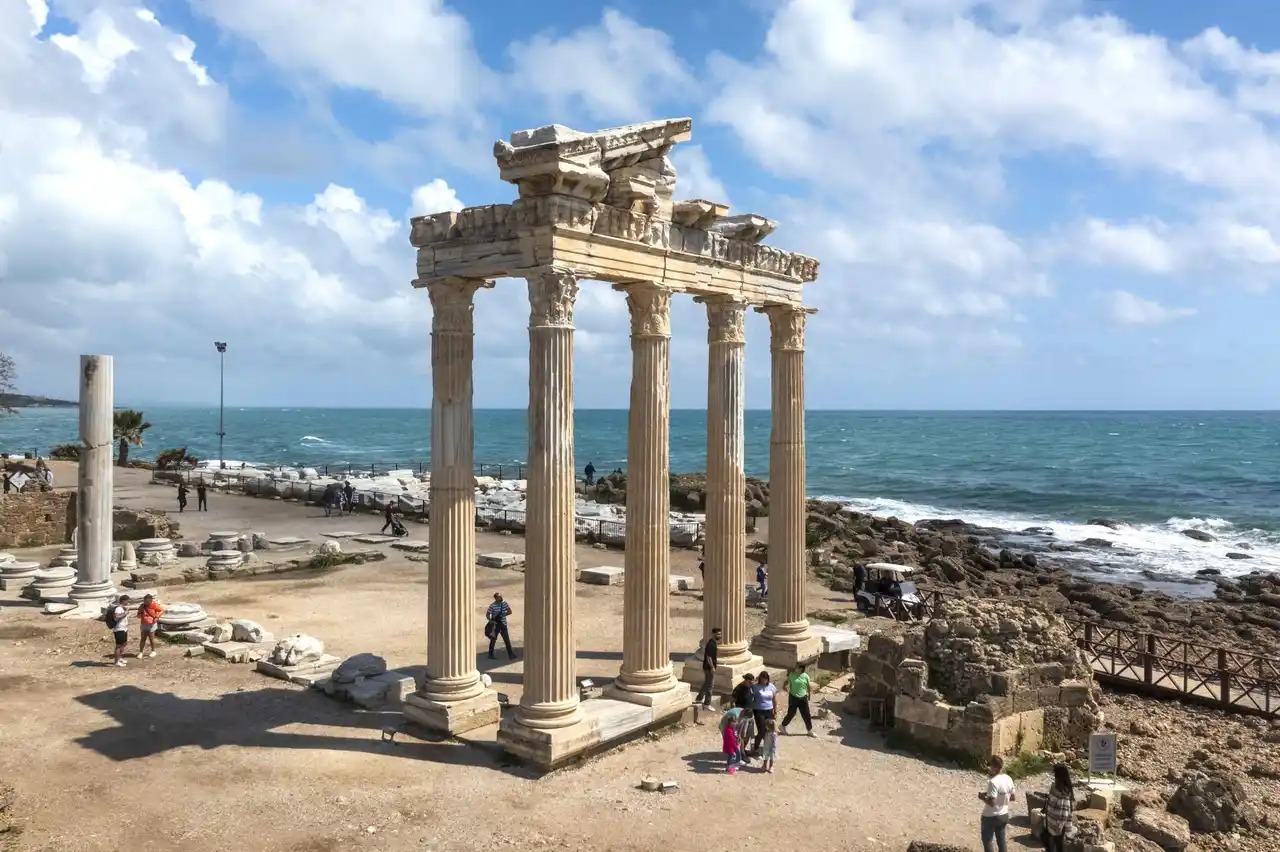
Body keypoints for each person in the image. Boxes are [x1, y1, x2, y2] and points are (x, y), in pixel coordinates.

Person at [980, 754, 1017, 852]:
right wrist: (1001, 798)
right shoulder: (1008, 779)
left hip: (990, 816)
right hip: (1004, 814)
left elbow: (992, 803)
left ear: (995, 767)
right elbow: (1012, 797)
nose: (988, 768)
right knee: (1001, 840)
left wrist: (983, 797)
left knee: (987, 841)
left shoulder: (993, 782)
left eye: (990, 766)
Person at [1043, 763, 1075, 852]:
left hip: (1058, 827)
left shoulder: (1064, 793)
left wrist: (1058, 828)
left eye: (1055, 774)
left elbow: (1064, 814)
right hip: (1050, 823)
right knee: (1050, 846)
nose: (1054, 776)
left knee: (1059, 847)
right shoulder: (1054, 787)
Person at [781, 661, 816, 737]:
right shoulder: (791, 675)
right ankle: (782, 726)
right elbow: (786, 682)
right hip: (793, 697)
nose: (795, 668)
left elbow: (808, 686)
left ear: (801, 669)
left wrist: (809, 695)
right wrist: (784, 687)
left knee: (806, 714)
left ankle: (809, 730)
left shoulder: (806, 676)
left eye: (797, 667)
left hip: (803, 698)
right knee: (791, 713)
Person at [751, 671, 778, 755]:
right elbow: (751, 698)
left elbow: (774, 699)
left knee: (769, 731)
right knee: (762, 730)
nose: (764, 681)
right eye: (762, 679)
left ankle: (768, 748)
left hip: (769, 710)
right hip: (759, 710)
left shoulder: (771, 686)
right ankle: (755, 748)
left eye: (765, 679)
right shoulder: (755, 687)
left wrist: (775, 711)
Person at [731, 673, 757, 763]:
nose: (751, 684)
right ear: (746, 680)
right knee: (741, 735)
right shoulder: (738, 689)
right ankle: (741, 754)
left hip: (750, 715)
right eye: (750, 682)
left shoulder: (750, 687)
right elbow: (732, 702)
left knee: (749, 734)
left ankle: (743, 749)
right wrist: (735, 714)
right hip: (741, 716)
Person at [695, 628, 721, 708]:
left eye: (720, 634)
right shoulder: (711, 644)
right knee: (710, 686)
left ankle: (699, 698)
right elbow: (709, 657)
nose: (719, 636)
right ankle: (707, 703)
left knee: (706, 683)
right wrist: (712, 667)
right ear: (713, 634)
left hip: (707, 667)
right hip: (709, 668)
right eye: (718, 634)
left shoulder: (713, 643)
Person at [486, 593, 516, 660]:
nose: (500, 598)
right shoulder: (492, 606)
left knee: (506, 640)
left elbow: (510, 611)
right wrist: (491, 621)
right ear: (495, 598)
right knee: (493, 640)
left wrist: (503, 614)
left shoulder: (504, 603)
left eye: (500, 596)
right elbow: (487, 614)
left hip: (503, 624)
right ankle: (490, 654)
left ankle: (511, 654)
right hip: (495, 625)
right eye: (498, 597)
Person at [105, 595, 131, 667]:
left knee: (124, 644)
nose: (128, 602)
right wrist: (125, 613)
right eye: (127, 601)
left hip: (124, 629)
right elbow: (116, 617)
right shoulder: (118, 609)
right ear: (124, 601)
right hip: (119, 629)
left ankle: (119, 658)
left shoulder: (122, 608)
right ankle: (116, 662)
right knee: (118, 646)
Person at [137, 594, 163, 658]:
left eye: (147, 601)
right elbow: (138, 614)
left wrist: (157, 617)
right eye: (145, 601)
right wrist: (139, 615)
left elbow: (161, 611)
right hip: (144, 624)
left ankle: (153, 651)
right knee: (143, 639)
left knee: (151, 638)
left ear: (151, 601)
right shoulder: (142, 606)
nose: (146, 603)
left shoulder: (155, 605)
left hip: (152, 624)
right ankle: (141, 652)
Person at [719, 705, 742, 775]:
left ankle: (729, 768)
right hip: (731, 747)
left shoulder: (729, 729)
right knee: (731, 758)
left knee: (731, 757)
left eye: (735, 722)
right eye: (734, 722)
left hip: (730, 747)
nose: (735, 723)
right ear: (730, 722)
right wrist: (735, 746)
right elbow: (731, 740)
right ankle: (729, 768)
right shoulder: (729, 730)